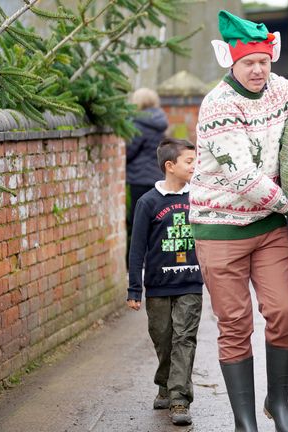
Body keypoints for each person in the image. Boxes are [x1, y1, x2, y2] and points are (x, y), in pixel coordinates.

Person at [190, 11, 288, 432]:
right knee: (236, 323)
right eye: (249, 63)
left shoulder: (280, 89)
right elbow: (242, 177)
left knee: (284, 312)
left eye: (263, 61)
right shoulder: (219, 105)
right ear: (232, 63)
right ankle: (244, 419)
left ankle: (277, 401)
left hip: (269, 227)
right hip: (221, 227)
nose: (258, 70)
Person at [127, 138, 203, 426]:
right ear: (170, 166)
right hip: (158, 285)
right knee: (163, 338)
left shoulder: (197, 197)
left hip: (190, 282)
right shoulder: (148, 202)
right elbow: (137, 249)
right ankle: (165, 383)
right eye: (189, 161)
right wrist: (135, 287)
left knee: (184, 339)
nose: (195, 166)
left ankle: (179, 399)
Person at [126, 88, 168, 261]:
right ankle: (156, 257)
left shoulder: (138, 124)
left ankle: (137, 260)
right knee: (157, 220)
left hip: (138, 179)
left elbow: (129, 152)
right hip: (157, 178)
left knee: (138, 221)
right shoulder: (160, 121)